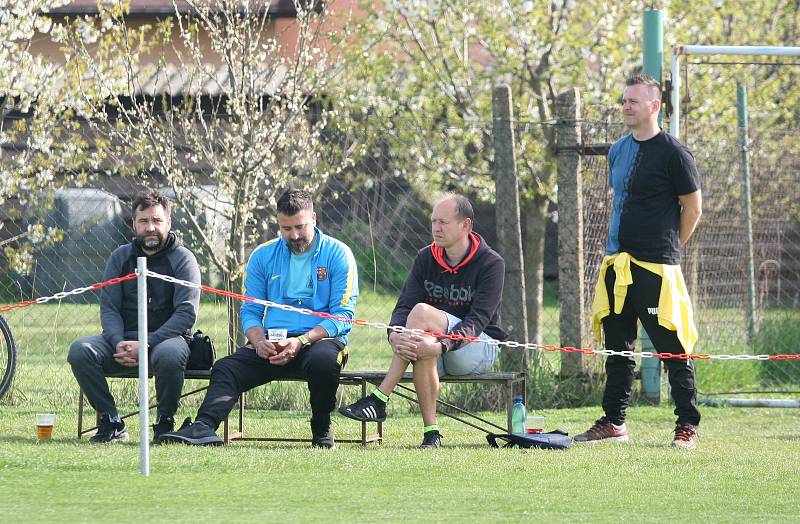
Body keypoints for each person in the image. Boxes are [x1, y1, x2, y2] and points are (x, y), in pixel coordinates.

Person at [159, 188, 358, 449]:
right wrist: (258, 339)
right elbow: (251, 310)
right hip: (272, 342)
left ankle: (321, 429)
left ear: (314, 218)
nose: (294, 235)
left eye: (300, 227)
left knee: (324, 361)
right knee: (226, 367)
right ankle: (203, 427)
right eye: (286, 229)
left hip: (318, 341)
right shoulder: (262, 256)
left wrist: (301, 341)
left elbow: (343, 316)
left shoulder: (338, 254)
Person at [574, 74, 703, 449]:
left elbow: (693, 208)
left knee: (671, 346)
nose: (626, 106)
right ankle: (614, 422)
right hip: (616, 264)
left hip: (656, 266)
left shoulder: (675, 153)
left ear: (654, 105)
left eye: (634, 100)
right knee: (617, 347)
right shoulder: (618, 150)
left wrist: (669, 246)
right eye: (624, 100)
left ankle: (687, 426)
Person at [338, 193, 506, 448]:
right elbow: (402, 306)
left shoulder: (491, 263)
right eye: (433, 221)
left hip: (477, 349)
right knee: (420, 334)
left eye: (444, 222)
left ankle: (380, 397)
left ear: (466, 225)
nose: (436, 228)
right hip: (432, 348)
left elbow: (477, 321)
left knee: (421, 314)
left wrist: (441, 346)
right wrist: (394, 335)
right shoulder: (425, 257)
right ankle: (431, 433)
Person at [68, 189, 201, 444]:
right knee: (80, 350)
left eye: (157, 220)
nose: (150, 227)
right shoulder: (120, 257)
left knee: (170, 355)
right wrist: (118, 341)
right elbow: (109, 308)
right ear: (134, 224)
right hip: (123, 342)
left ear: (168, 223)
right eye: (144, 221)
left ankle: (164, 424)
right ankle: (111, 421)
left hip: (167, 340)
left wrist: (148, 343)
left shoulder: (183, 259)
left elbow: (186, 313)